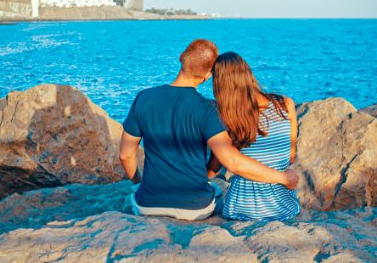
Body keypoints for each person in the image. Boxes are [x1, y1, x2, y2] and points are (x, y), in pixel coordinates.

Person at [119, 39, 299, 221]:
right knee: (216, 190)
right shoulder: (209, 109)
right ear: (206, 76)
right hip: (196, 208)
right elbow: (232, 161)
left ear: (181, 57)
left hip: (147, 205)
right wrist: (284, 178)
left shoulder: (143, 98)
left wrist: (140, 184)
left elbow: (125, 156)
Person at [209, 51, 300, 221]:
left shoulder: (226, 116)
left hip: (241, 206)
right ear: (248, 74)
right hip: (281, 205)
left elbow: (216, 166)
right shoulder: (286, 105)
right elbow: (291, 157)